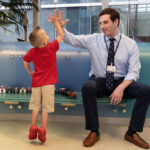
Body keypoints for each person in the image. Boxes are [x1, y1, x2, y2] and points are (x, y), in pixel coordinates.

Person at [58, 8, 150, 149]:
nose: (102, 26)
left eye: (106, 22)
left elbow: (133, 72)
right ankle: (94, 131)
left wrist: (120, 88)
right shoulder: (94, 39)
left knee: (145, 90)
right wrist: (60, 27)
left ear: (116, 22)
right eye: (100, 23)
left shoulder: (130, 44)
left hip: (121, 81)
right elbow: (73, 40)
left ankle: (132, 132)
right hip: (99, 80)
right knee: (88, 87)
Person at [23, 10, 64, 143]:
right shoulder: (51, 48)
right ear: (45, 41)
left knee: (35, 107)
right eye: (46, 35)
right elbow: (61, 35)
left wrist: (30, 72)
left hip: (36, 83)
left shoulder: (32, 51)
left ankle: (33, 127)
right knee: (45, 109)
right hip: (48, 84)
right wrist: (56, 23)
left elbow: (25, 62)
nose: (47, 36)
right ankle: (42, 130)